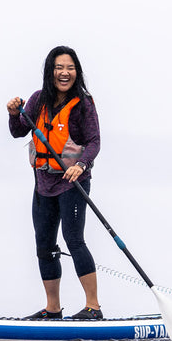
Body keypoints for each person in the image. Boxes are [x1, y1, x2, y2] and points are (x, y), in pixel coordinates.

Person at [8, 46, 103, 320]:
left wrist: (81, 165)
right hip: (43, 184)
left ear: (77, 72)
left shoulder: (83, 104)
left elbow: (94, 142)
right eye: (59, 68)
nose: (65, 73)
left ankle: (93, 307)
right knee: (44, 245)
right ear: (50, 71)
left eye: (70, 68)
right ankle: (52, 309)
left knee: (74, 240)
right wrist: (14, 113)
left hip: (74, 184)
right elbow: (17, 132)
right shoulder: (38, 100)